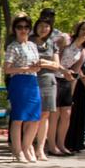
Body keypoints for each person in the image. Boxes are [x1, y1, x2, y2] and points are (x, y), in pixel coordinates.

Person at [4, 16, 42, 163]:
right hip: (19, 81)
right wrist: (26, 68)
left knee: (34, 118)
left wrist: (36, 67)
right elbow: (7, 69)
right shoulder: (12, 46)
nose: (23, 30)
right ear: (15, 29)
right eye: (20, 27)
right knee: (18, 117)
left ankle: (27, 147)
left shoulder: (32, 45)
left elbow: (36, 65)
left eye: (26, 27)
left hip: (32, 81)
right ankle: (17, 150)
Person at [60, 21, 85, 153]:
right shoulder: (67, 41)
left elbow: (77, 70)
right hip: (57, 77)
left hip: (71, 82)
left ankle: (72, 143)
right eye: (83, 29)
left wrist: (71, 93)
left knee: (72, 114)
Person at [30, 19, 61, 160]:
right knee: (31, 115)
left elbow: (56, 65)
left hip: (48, 81)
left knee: (45, 115)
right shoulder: (29, 42)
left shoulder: (52, 44)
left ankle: (40, 148)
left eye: (47, 26)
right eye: (41, 26)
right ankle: (28, 146)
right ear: (35, 27)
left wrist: (44, 63)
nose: (44, 29)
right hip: (31, 79)